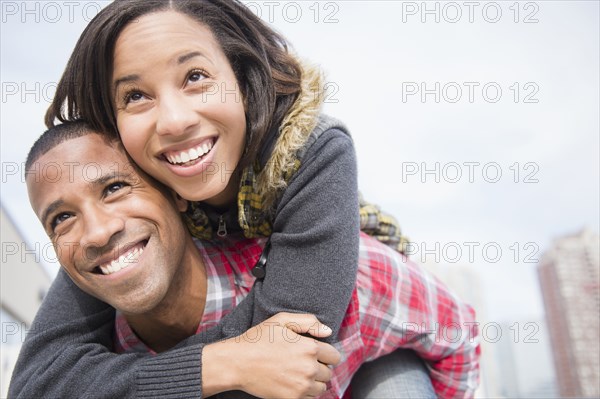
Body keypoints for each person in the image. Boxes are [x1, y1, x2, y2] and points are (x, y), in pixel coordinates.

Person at [14, 0, 480, 397]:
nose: (174, 121)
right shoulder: (115, 222)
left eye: (195, 76)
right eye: (136, 95)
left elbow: (284, 347)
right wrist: (216, 365)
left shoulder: (308, 151)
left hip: (379, 339)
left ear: (240, 77)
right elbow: (40, 382)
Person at [12, 121, 472, 399]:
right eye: (62, 219)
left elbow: (458, 333)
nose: (96, 231)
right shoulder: (96, 359)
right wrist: (222, 364)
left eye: (114, 188)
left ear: (175, 195)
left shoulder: (341, 270)